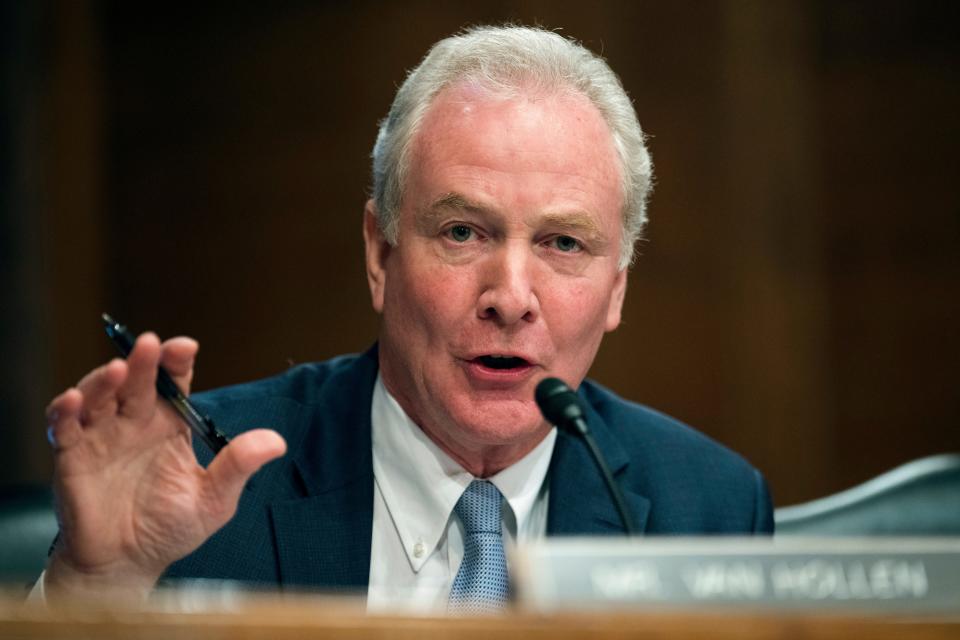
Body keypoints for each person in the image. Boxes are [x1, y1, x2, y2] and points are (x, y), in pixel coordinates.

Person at [40, 25, 773, 612]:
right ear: (380, 255)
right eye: (463, 232)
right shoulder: (203, 487)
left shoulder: (709, 509)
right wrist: (92, 587)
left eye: (563, 243)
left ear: (616, 290)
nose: (511, 295)